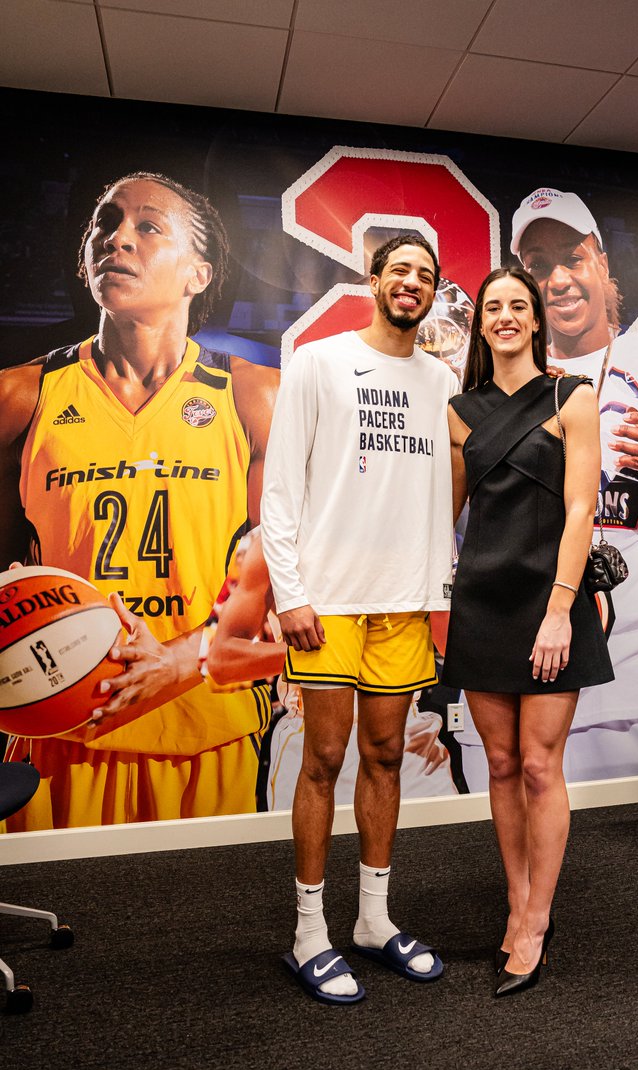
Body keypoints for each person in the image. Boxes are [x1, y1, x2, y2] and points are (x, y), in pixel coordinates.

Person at [0, 172, 277, 830]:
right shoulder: (23, 394)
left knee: (195, 930)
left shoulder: (253, 396)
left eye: (148, 226)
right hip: (58, 725)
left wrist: (185, 659)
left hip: (204, 728)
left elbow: (305, 585)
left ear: (198, 273)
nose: (117, 237)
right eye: (104, 224)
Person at [260, 233, 457, 1005]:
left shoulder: (441, 380)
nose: (412, 283)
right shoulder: (319, 361)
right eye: (400, 270)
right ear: (373, 280)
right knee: (322, 760)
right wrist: (290, 593)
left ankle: (373, 920)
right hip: (328, 601)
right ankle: (311, 932)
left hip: (402, 600)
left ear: (433, 295)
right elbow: (281, 490)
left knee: (385, 758)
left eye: (426, 276)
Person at [485, 186, 638, 782]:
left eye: (573, 257)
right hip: (534, 668)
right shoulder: (506, 387)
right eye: (538, 267)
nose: (558, 279)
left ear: (602, 263)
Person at [443, 267, 613, 998]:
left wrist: (558, 609)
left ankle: (538, 919)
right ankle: (517, 899)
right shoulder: (458, 410)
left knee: (542, 767)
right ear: (480, 325)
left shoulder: (573, 395)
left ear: (537, 321)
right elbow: (445, 520)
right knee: (502, 765)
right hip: (482, 603)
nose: (507, 317)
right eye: (494, 308)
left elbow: (581, 510)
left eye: (519, 306)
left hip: (551, 604)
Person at [204, 528, 454, 805]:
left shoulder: (410, 522)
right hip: (312, 731)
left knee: (441, 845)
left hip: (407, 733)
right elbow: (222, 659)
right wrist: (322, 652)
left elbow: (447, 644)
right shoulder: (279, 535)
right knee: (322, 847)